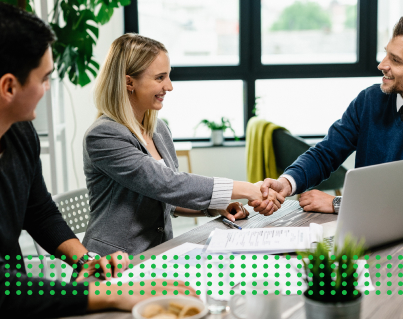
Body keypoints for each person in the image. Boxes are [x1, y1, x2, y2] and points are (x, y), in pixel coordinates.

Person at [0, 3, 194, 318]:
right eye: (44, 79)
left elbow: (39, 212)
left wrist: (87, 262)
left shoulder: (18, 133)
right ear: (9, 87)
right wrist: (111, 294)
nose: (47, 89)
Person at [253, 17, 403, 223]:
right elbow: (327, 152)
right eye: (386, 54)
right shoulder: (371, 99)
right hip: (366, 228)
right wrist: (286, 183)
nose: (382, 65)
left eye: (396, 60)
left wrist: (338, 204)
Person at [82, 34, 283, 256]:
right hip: (113, 263)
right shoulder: (103, 135)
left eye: (168, 76)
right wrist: (248, 189)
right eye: (160, 78)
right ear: (129, 82)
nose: (169, 86)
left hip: (157, 253)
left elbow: (168, 198)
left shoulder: (158, 129)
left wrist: (214, 206)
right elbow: (167, 184)